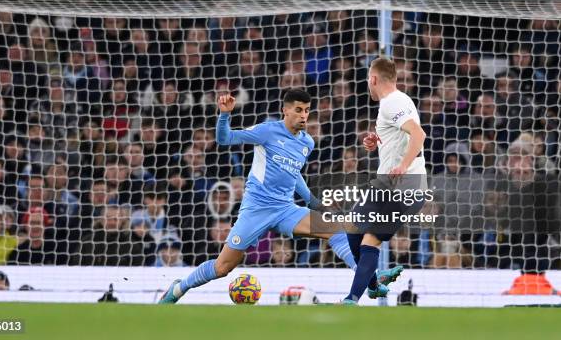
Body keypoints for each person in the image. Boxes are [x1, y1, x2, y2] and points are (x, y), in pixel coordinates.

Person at [159, 89, 358, 303]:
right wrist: (224, 114)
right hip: (256, 209)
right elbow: (225, 139)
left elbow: (294, 172)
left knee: (335, 230)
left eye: (307, 111)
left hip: (285, 209)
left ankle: (369, 280)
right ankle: (179, 288)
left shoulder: (307, 143)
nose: (303, 115)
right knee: (222, 267)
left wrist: (315, 203)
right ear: (285, 110)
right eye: (298, 110)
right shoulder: (266, 131)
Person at [343, 57, 427, 304]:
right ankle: (374, 283)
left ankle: (351, 299)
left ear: (373, 79)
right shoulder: (396, 102)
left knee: (370, 239)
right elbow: (400, 136)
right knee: (352, 228)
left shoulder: (393, 102)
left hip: (405, 187)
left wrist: (402, 165)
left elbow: (418, 134)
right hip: (386, 186)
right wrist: (376, 140)